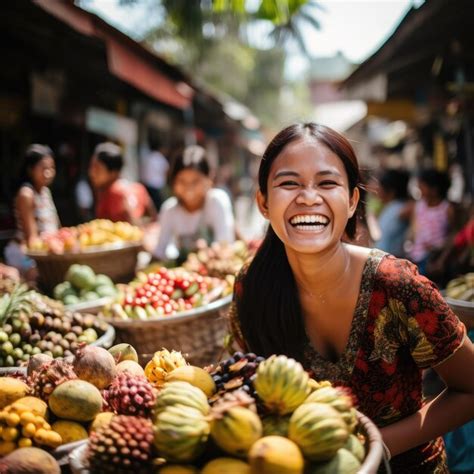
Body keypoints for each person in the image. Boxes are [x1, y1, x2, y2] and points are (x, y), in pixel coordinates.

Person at [228, 123, 474, 473]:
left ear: (352, 200)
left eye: (327, 183)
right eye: (289, 183)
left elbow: (470, 390)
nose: (309, 197)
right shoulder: (251, 288)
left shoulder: (396, 284)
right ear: (263, 203)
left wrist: (371, 448)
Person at [153, 145, 235, 263]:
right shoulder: (169, 210)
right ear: (173, 181)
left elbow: (225, 245)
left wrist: (208, 251)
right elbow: (160, 250)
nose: (189, 188)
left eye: (195, 181)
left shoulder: (216, 201)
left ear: (209, 179)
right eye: (182, 181)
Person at [4, 144, 60, 279]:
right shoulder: (26, 194)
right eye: (44, 168)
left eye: (51, 168)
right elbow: (31, 239)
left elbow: (57, 227)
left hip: (46, 251)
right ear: (30, 169)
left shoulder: (46, 192)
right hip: (25, 255)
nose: (49, 173)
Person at [88, 142, 157, 225]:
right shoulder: (137, 187)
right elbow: (153, 218)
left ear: (113, 173)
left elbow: (133, 222)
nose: (91, 173)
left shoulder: (115, 192)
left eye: (97, 168)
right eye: (91, 167)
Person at [406, 168, 455, 277]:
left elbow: (453, 235)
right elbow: (413, 230)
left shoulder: (446, 208)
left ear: (434, 189)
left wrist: (441, 258)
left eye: (422, 186)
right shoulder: (419, 206)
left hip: (434, 257)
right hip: (416, 255)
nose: (420, 189)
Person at [374, 168, 411, 257]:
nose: (377, 191)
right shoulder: (389, 207)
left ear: (391, 191)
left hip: (392, 261)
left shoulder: (402, 209)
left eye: (380, 188)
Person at [141, 135, 169, 210]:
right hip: (157, 187)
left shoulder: (148, 157)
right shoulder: (161, 158)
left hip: (146, 186)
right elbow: (166, 172)